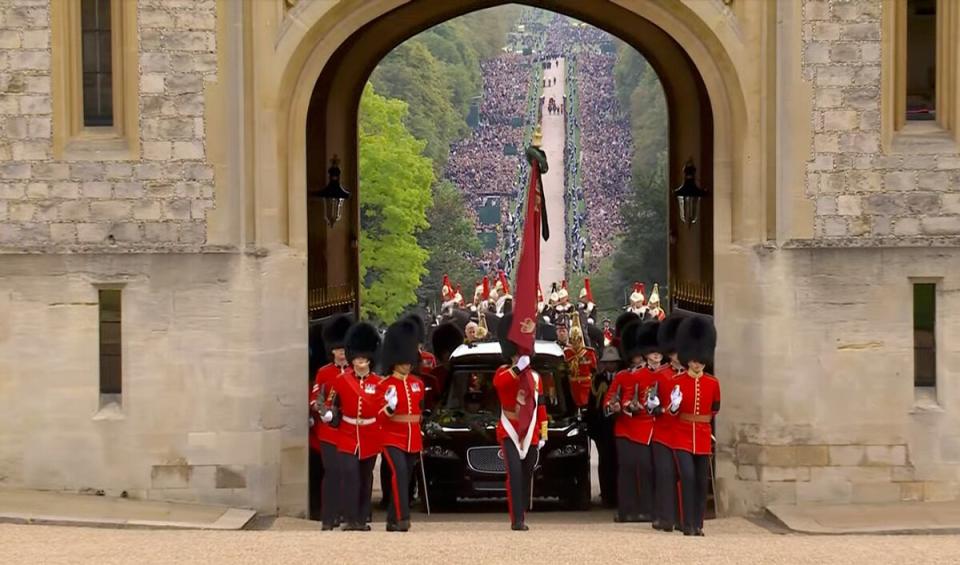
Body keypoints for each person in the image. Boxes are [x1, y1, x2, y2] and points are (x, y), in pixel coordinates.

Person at [322, 322, 383, 531]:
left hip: (369, 434)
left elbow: (382, 411)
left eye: (363, 359)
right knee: (350, 475)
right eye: (357, 359)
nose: (360, 362)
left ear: (369, 359)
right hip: (347, 433)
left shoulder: (379, 382)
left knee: (366, 478)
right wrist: (328, 414)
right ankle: (350, 518)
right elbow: (330, 402)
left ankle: (361, 518)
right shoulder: (341, 380)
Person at [494, 314, 548, 531]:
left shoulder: (535, 378)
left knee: (525, 475)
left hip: (531, 431)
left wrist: (543, 433)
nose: (519, 358)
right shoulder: (503, 372)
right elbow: (500, 384)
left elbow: (541, 406)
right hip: (510, 429)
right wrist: (516, 369)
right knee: (514, 474)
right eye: (516, 356)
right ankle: (517, 519)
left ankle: (521, 510)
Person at [603, 320, 657, 523]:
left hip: (645, 425)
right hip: (625, 427)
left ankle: (647, 508)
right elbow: (609, 398)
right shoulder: (622, 375)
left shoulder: (653, 375)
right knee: (625, 468)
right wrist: (614, 406)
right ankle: (627, 510)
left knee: (645, 467)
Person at [671, 315, 719, 536]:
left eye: (700, 359)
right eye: (693, 358)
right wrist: (674, 405)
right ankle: (686, 522)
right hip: (681, 436)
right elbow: (672, 411)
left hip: (702, 436)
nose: (697, 362)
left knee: (701, 482)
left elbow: (715, 409)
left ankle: (697, 524)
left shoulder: (712, 383)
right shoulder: (677, 382)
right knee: (687, 477)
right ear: (687, 357)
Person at [377, 319, 426, 532]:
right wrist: (390, 407)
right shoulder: (385, 385)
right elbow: (379, 416)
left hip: (412, 436)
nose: (407, 364)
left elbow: (419, 411)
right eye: (404, 360)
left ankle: (391, 518)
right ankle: (402, 517)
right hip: (391, 436)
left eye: (409, 360)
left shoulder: (418, 384)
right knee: (400, 472)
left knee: (405, 477)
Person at [309, 314, 351, 529]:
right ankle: (329, 515)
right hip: (329, 431)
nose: (342, 352)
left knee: (348, 473)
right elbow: (316, 397)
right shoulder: (324, 372)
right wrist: (322, 410)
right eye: (338, 349)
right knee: (332, 472)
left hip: (350, 429)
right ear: (332, 350)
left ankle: (345, 513)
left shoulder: (355, 372)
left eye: (344, 348)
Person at [651, 311, 688, 532]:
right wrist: (660, 406)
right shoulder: (660, 374)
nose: (675, 356)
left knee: (685, 477)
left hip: (684, 431)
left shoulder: (694, 374)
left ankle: (685, 517)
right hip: (664, 432)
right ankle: (666, 517)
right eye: (673, 352)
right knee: (665, 476)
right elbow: (651, 405)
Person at [589, 346, 620, 508]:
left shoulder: (622, 377)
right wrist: (593, 428)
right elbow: (592, 406)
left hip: (620, 425)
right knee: (605, 462)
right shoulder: (597, 380)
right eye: (608, 363)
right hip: (603, 427)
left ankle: (618, 494)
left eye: (613, 362)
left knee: (619, 461)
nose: (610, 366)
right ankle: (606, 494)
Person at [563, 312, 598, 409]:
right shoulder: (567, 353)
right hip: (572, 386)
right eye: (572, 340)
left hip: (586, 386)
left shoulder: (589, 353)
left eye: (577, 340)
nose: (575, 343)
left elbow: (594, 370)